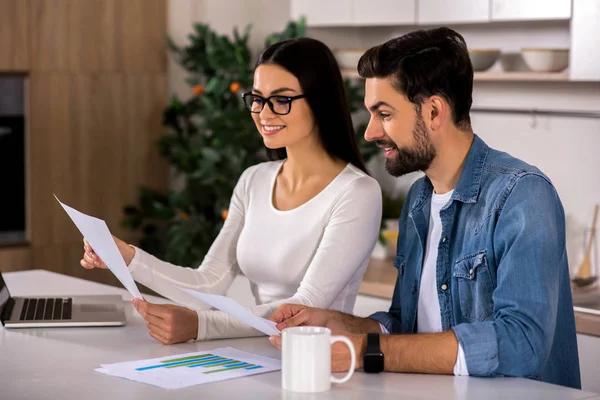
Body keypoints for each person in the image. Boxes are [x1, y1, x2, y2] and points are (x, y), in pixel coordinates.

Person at [269, 27, 581, 389]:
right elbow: (407, 326)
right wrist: (337, 325)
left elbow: (521, 343)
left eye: (383, 113)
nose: (370, 132)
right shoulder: (419, 198)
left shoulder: (521, 194)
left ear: (434, 111)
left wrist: (364, 350)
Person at [80, 38, 382, 344]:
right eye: (257, 98)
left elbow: (305, 307)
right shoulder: (254, 180)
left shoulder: (357, 193)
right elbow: (208, 283)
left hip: (319, 362)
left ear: (321, 101)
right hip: (256, 353)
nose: (264, 113)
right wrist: (126, 257)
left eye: (281, 100)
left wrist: (202, 326)